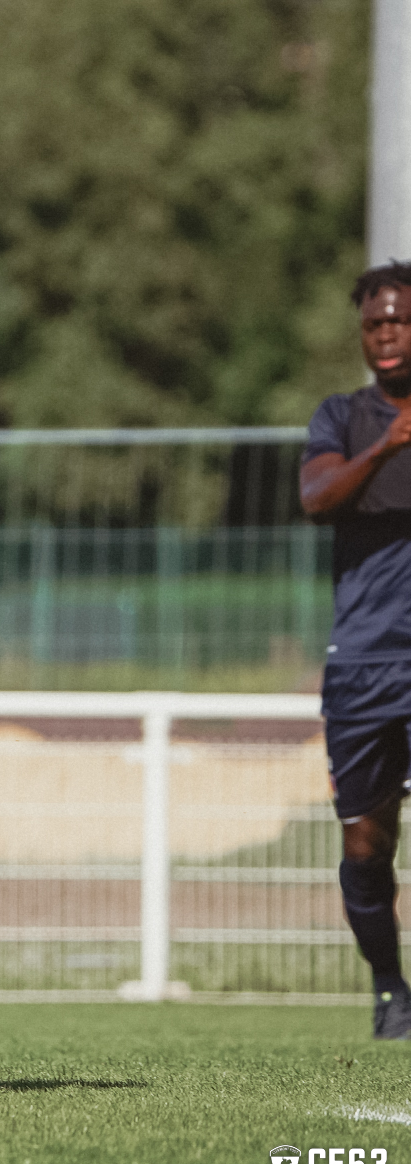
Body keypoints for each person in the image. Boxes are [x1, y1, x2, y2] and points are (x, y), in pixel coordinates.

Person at [300, 260, 411, 1040]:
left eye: (399, 320)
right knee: (366, 843)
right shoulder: (343, 418)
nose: (386, 333)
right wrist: (387, 448)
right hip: (365, 661)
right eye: (375, 322)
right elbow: (316, 498)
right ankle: (390, 992)